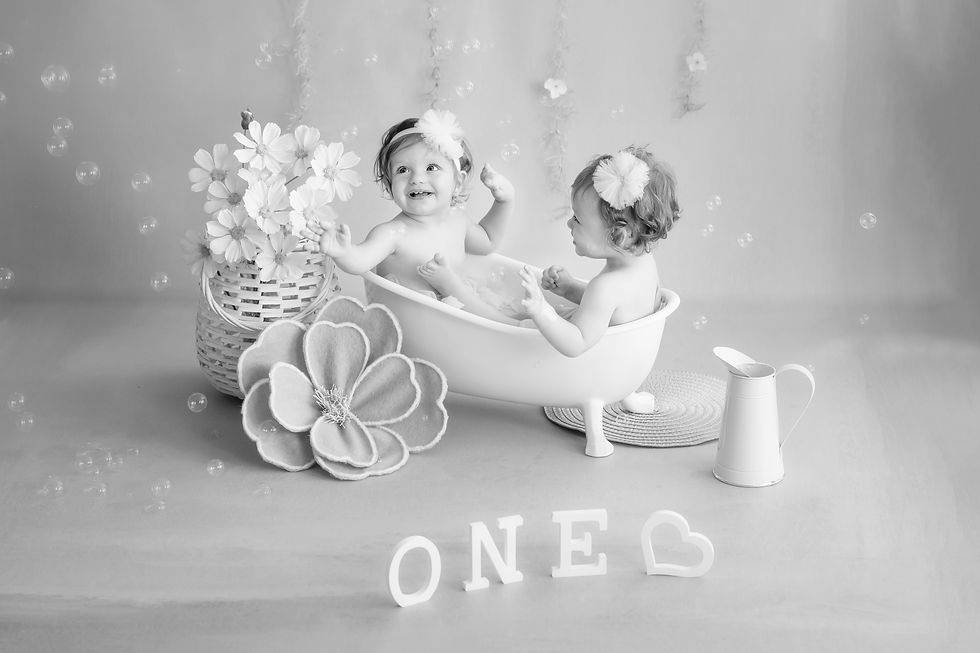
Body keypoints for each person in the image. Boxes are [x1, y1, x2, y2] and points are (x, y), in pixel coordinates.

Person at [301, 109, 515, 304]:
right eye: (403, 170)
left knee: (500, 307)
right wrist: (343, 252)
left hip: (457, 309)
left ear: (458, 182)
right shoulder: (392, 233)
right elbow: (360, 261)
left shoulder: (458, 221)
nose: (417, 178)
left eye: (431, 167)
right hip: (411, 317)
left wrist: (503, 202)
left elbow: (488, 242)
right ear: (389, 186)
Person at [518, 146, 681, 356]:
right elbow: (610, 309)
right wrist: (569, 288)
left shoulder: (604, 287)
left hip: (582, 362)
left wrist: (542, 310)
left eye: (577, 219)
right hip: (624, 358)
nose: (569, 223)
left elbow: (576, 343)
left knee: (519, 323)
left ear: (620, 235)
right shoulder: (644, 264)